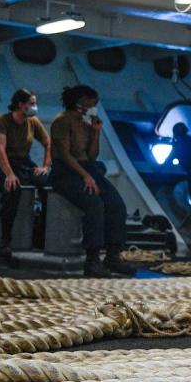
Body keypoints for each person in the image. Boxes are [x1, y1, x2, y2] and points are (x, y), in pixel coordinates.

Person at [49, 85, 136, 278]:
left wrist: (96, 132)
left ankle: (113, 256)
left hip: (86, 167)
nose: (95, 106)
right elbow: (64, 155)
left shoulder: (86, 122)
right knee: (94, 204)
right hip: (65, 171)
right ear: (81, 101)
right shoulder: (62, 121)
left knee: (116, 204)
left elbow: (91, 155)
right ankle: (92, 260)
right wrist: (85, 176)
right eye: (92, 102)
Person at [0, 89, 51, 266]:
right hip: (0, 166)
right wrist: (9, 174)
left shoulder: (33, 122)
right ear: (21, 104)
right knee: (13, 189)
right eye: (31, 103)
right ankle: (5, 243)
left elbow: (48, 143)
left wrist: (45, 166)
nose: (34, 107)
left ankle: (40, 237)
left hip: (23, 164)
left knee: (49, 186)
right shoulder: (3, 121)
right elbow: (0, 150)